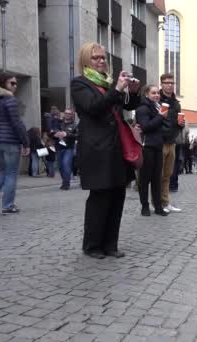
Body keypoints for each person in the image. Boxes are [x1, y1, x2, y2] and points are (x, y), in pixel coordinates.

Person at [71, 42, 141, 259]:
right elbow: (94, 107)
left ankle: (111, 245)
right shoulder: (80, 84)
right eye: (96, 58)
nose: (101, 61)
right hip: (97, 148)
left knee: (118, 195)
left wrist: (133, 92)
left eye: (103, 57)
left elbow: (127, 107)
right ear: (85, 61)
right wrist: (117, 89)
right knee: (100, 197)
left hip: (117, 147)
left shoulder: (109, 82)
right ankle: (92, 245)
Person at [0, 73, 29, 214]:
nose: (15, 86)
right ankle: (8, 205)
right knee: (11, 173)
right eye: (12, 83)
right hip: (10, 142)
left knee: (3, 171)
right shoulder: (9, 100)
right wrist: (25, 142)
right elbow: (16, 123)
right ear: (3, 83)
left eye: (16, 83)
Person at [135, 85, 168, 217]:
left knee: (157, 178)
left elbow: (161, 126)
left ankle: (158, 206)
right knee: (144, 178)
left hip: (158, 146)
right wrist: (160, 117)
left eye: (157, 93)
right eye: (153, 93)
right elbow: (146, 127)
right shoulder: (143, 108)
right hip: (147, 146)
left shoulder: (157, 107)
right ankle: (145, 206)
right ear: (146, 94)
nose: (156, 95)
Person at [159, 73, 183, 213]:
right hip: (160, 141)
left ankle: (166, 202)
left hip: (172, 142)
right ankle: (156, 202)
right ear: (162, 84)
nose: (170, 85)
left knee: (168, 174)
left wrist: (181, 125)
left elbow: (177, 124)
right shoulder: (157, 99)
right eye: (167, 82)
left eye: (172, 83)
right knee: (158, 174)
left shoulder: (176, 103)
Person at [50, 108, 78, 190]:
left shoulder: (74, 125)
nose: (67, 114)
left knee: (66, 164)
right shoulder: (59, 123)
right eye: (66, 113)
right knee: (60, 166)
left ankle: (66, 183)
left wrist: (67, 134)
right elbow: (51, 132)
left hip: (69, 148)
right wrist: (54, 135)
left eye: (69, 113)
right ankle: (64, 181)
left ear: (72, 115)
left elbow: (78, 135)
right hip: (58, 147)